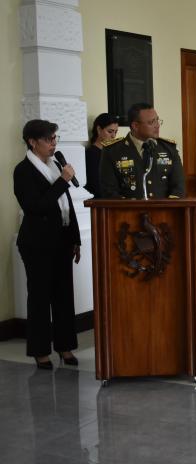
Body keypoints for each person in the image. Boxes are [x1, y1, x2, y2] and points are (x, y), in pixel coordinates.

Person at [14, 120, 81, 369]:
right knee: (40, 297)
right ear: (33, 142)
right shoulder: (23, 171)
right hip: (37, 243)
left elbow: (67, 207)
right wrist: (63, 181)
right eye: (48, 139)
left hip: (62, 241)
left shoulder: (55, 165)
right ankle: (40, 351)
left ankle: (65, 347)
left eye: (55, 138)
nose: (54, 144)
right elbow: (36, 206)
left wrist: (75, 238)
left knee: (64, 295)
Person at [100, 102, 185, 199]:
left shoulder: (169, 149)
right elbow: (109, 191)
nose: (157, 125)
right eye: (151, 122)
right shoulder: (112, 151)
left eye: (157, 120)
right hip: (127, 212)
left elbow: (179, 188)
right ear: (135, 126)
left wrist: (166, 210)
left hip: (163, 212)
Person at [85, 113, 119, 197]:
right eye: (110, 131)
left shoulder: (113, 152)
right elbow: (96, 184)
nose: (113, 136)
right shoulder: (91, 154)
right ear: (99, 129)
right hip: (100, 202)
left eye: (116, 132)